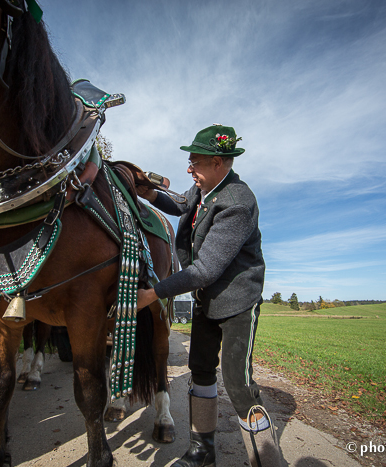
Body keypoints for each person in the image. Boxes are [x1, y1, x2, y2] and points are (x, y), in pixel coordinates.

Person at [137, 124, 281, 467]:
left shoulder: (237, 201)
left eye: (195, 162)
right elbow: (182, 203)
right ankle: (203, 451)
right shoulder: (205, 190)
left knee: (237, 380)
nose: (190, 169)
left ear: (219, 162)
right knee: (200, 369)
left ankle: (266, 458)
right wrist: (147, 192)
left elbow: (204, 270)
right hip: (206, 301)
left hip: (236, 304)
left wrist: (152, 294)